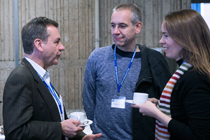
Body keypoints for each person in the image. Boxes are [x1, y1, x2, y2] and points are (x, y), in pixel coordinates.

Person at [3, 17, 102, 140]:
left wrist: (81, 137)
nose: (62, 47)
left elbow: (57, 119)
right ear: (39, 44)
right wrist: (59, 128)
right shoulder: (20, 78)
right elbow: (16, 132)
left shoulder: (40, 76)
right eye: (56, 42)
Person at [82, 3, 171, 140]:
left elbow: (167, 103)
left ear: (137, 27)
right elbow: (89, 98)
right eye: (112, 25)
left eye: (122, 26)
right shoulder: (97, 57)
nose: (115, 31)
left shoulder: (153, 60)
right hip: (102, 137)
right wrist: (95, 129)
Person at [131, 9, 210, 140]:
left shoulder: (195, 77)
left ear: (185, 38)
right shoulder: (188, 70)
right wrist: (161, 103)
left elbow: (200, 136)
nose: (161, 41)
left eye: (166, 36)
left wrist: (156, 113)